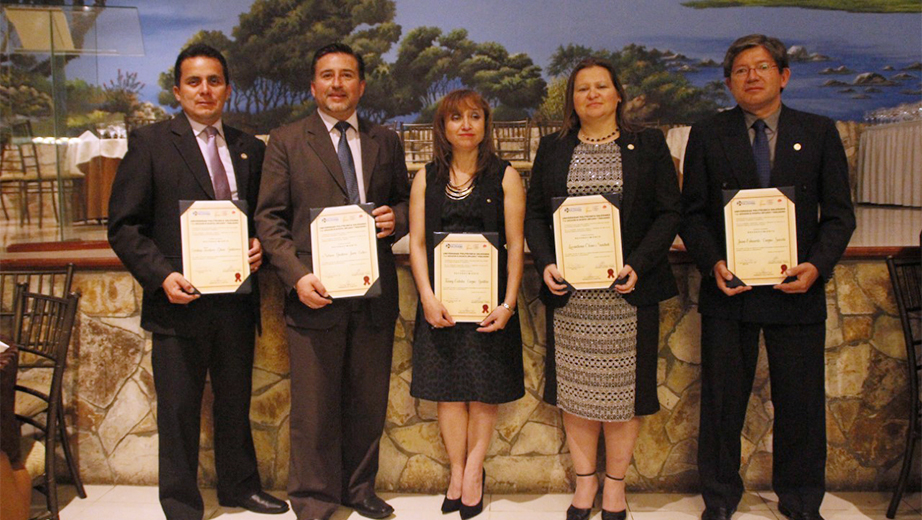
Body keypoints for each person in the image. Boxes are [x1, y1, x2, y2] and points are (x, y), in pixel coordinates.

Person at [107, 44, 288, 519]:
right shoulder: (150, 143)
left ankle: (239, 488)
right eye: (194, 81)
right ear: (177, 90)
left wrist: (260, 249)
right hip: (177, 302)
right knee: (179, 411)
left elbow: (264, 220)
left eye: (213, 81)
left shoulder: (251, 147)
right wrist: (162, 275)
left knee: (234, 404)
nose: (204, 90)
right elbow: (124, 226)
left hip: (234, 302)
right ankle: (181, 503)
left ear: (227, 89)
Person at [680, 34, 856, 520]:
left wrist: (816, 267)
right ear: (728, 82)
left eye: (761, 67)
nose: (751, 77)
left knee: (800, 405)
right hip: (729, 291)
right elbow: (692, 213)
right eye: (740, 70)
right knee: (721, 405)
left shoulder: (818, 132)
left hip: (796, 292)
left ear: (784, 75)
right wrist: (711, 261)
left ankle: (801, 502)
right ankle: (719, 499)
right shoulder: (708, 134)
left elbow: (839, 215)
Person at [254, 42, 409, 520]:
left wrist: (395, 218)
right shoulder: (286, 140)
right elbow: (269, 219)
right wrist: (296, 277)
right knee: (315, 409)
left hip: (372, 293)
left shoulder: (386, 139)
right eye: (327, 75)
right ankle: (315, 499)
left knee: (367, 402)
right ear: (313, 85)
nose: (337, 83)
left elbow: (406, 202)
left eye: (346, 75)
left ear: (361, 85)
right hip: (313, 293)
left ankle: (358, 489)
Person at [524, 57, 681, 520]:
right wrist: (547, 262)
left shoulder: (648, 145)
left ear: (618, 94)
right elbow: (535, 214)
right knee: (575, 391)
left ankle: (615, 486)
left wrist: (638, 263)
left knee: (623, 395)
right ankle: (584, 485)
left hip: (627, 293)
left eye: (601, 86)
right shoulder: (553, 149)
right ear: (572, 100)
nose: (591, 94)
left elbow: (668, 213)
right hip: (572, 296)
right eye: (582, 88)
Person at [408, 90, 525, 520]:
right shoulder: (426, 178)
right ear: (442, 126)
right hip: (442, 305)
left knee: (484, 390)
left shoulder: (506, 176)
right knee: (449, 392)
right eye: (456, 117)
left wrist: (508, 304)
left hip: (489, 304)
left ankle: (475, 472)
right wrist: (426, 297)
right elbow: (417, 244)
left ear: (485, 124)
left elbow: (516, 247)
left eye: (475, 116)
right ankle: (456, 472)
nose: (466, 124)